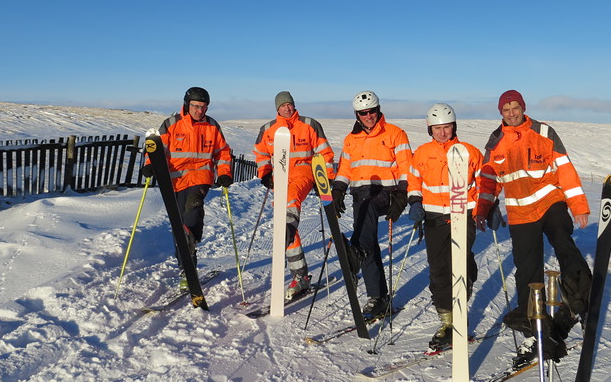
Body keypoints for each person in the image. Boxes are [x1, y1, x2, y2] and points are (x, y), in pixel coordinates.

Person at [475, 89, 592, 362]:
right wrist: (484, 209)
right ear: (500, 112)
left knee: (563, 241)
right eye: (506, 109)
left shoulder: (543, 131)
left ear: (523, 108)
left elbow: (564, 168)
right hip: (520, 213)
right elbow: (489, 181)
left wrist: (578, 205)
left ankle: (582, 300)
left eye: (515, 107)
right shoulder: (495, 142)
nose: (512, 113)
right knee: (527, 270)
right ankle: (533, 330)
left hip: (550, 201)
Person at [407, 103, 483, 350]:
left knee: (459, 263)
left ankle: (464, 297)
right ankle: (448, 322)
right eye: (437, 128)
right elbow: (414, 180)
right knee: (439, 269)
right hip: (434, 217)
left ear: (454, 126)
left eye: (447, 127)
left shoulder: (469, 152)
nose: (442, 132)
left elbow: (483, 183)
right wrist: (415, 202)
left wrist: (485, 208)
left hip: (464, 214)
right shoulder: (422, 152)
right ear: (430, 129)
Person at [331, 90, 413, 318]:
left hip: (385, 193)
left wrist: (403, 193)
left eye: (372, 111)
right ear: (357, 114)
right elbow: (345, 169)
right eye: (363, 113)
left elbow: (407, 166)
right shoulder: (350, 139)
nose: (368, 116)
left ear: (379, 110)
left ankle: (355, 255)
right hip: (361, 194)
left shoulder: (395, 134)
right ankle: (378, 297)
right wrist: (338, 189)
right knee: (365, 240)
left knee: (361, 240)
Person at [142, 87, 233, 285]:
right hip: (175, 181)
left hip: (201, 177)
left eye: (203, 107)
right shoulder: (172, 124)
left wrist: (225, 173)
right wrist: (150, 165)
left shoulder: (212, 126)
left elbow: (223, 152)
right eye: (196, 106)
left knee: (194, 207)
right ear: (186, 104)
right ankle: (187, 269)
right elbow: (157, 148)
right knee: (179, 224)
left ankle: (190, 240)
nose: (200, 111)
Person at [253, 91, 336, 300]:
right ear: (277, 109)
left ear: (294, 105)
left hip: (304, 171)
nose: (287, 108)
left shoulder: (309, 124)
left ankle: (287, 228)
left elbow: (324, 152)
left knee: (290, 203)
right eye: (283, 106)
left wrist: (326, 179)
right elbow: (261, 153)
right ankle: (300, 277)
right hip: (280, 176)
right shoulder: (268, 129)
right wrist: (265, 174)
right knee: (286, 226)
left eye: (290, 105)